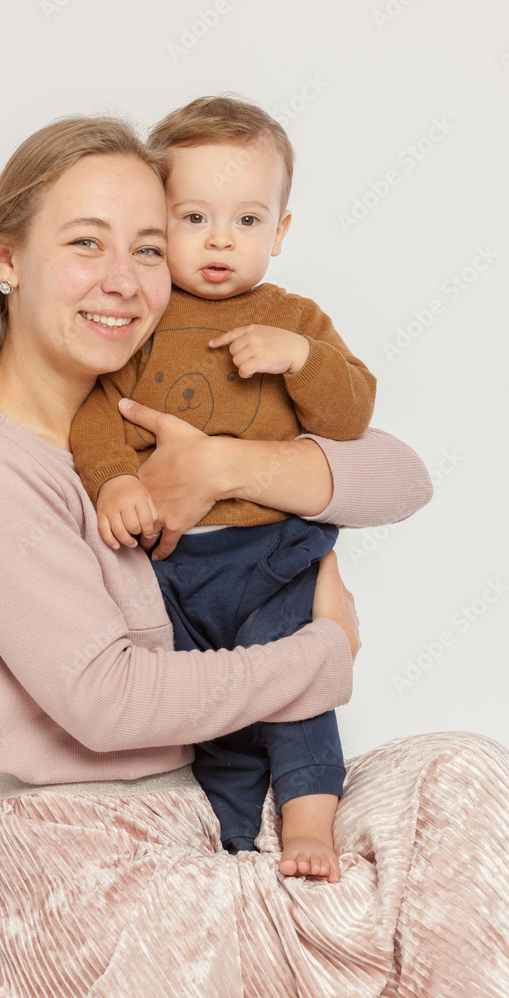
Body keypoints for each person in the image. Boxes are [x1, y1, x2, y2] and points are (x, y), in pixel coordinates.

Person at [0, 114, 509, 998]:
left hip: (202, 811)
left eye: (151, 248)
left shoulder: (154, 401)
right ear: (8, 260)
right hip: (82, 869)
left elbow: (401, 477)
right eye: (86, 243)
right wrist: (323, 653)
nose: (123, 281)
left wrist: (225, 465)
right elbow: (107, 705)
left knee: (465, 781)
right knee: (398, 914)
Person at [69, 95, 378, 875]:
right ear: (159, 224)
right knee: (207, 708)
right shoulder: (142, 312)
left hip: (269, 552)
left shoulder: (294, 316)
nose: (219, 240)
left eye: (246, 222)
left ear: (279, 230)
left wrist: (302, 360)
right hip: (169, 566)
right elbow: (97, 414)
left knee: (300, 684)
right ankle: (234, 837)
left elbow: (354, 414)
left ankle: (310, 825)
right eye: (194, 217)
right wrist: (112, 484)